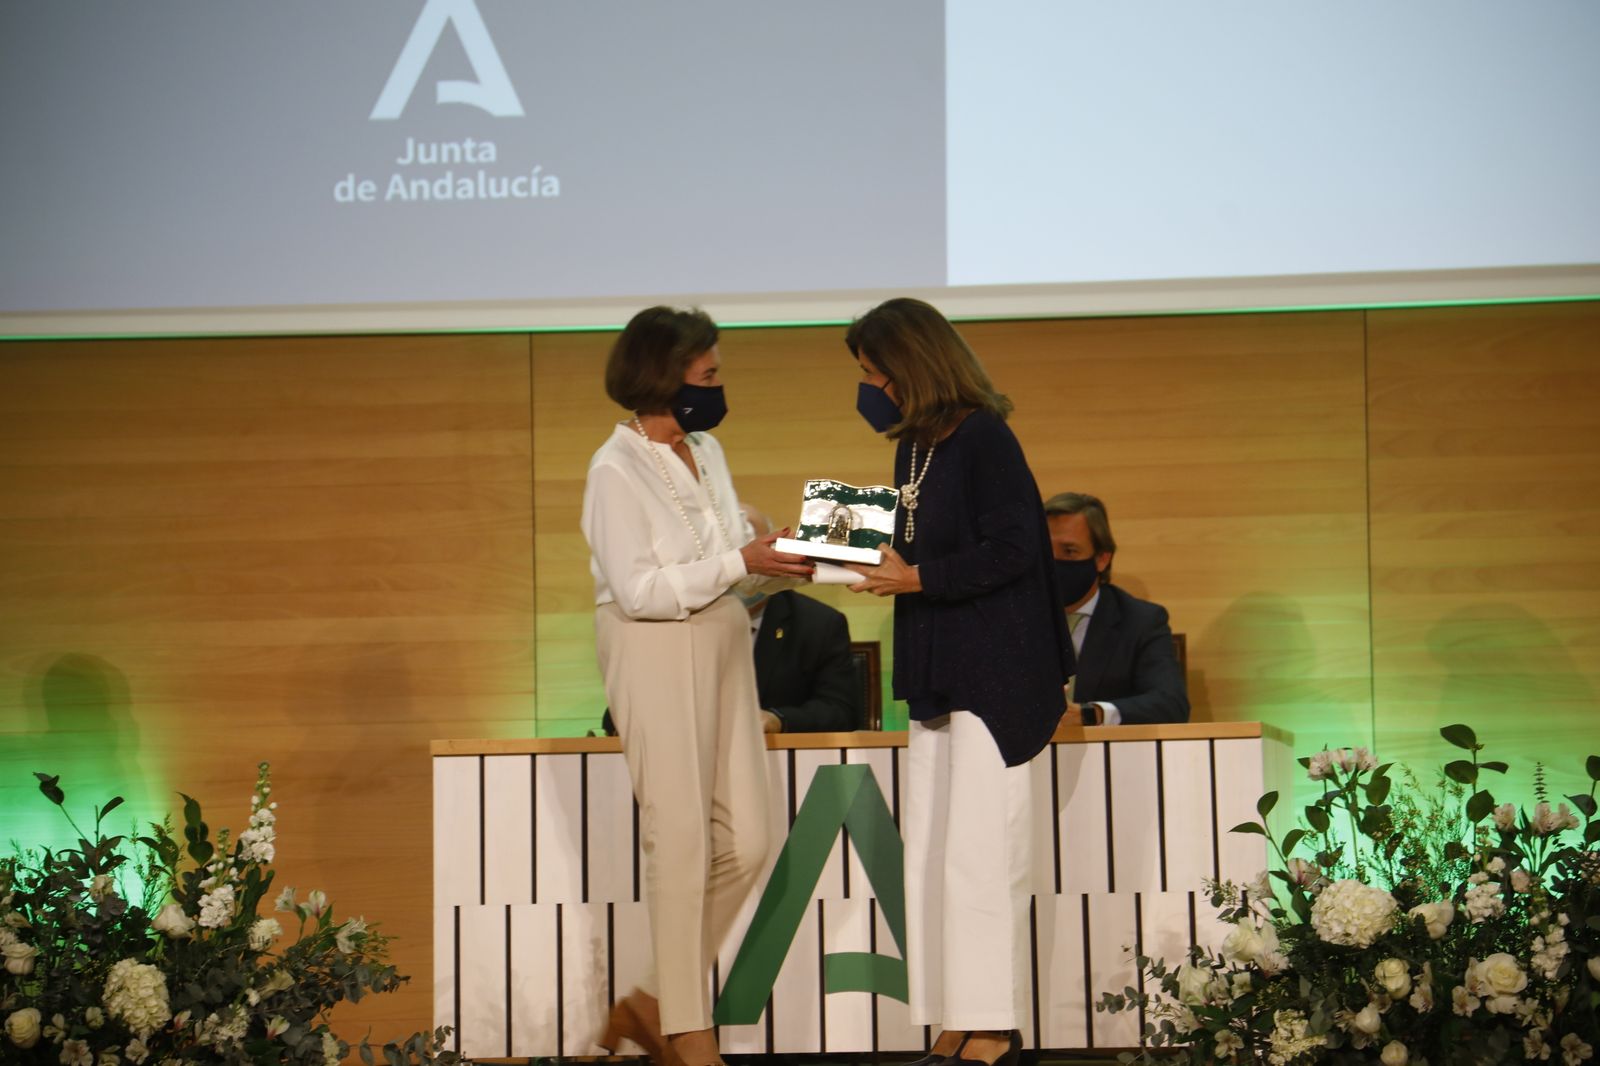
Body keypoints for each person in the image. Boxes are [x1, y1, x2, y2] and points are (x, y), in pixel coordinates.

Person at [580, 307, 815, 1066]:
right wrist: (743, 560)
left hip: (720, 637)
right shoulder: (613, 470)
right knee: (679, 838)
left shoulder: (706, 448)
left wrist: (781, 556)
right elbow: (641, 590)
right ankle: (686, 1027)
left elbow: (725, 556)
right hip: (651, 645)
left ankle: (650, 1001)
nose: (718, 387)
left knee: (749, 840)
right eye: (708, 374)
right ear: (663, 377)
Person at [841, 298, 1071, 1066]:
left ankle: (994, 1025)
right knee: (936, 855)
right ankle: (952, 1013)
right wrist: (846, 554)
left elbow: (1014, 550)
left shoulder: (984, 437)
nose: (869, 388)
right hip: (938, 670)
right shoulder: (914, 448)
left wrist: (915, 577)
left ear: (910, 366)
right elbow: (916, 549)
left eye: (874, 372)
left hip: (994, 672)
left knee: (983, 853)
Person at [1044, 492, 1189, 726]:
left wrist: (1092, 714)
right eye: (1044, 552)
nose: (1052, 564)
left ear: (1102, 558)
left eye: (1069, 551)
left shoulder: (1141, 621)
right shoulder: (1012, 621)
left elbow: (1171, 704)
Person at [743, 506, 864, 734]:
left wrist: (778, 720)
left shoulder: (819, 625)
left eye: (755, 550)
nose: (748, 566)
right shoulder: (683, 621)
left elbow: (841, 711)